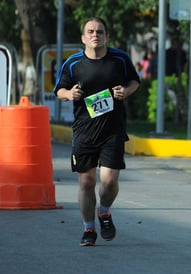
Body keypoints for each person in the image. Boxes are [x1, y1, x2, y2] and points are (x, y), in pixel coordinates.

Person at [53, 17, 140, 246]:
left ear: (106, 36)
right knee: (86, 183)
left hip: (113, 130)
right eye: (90, 31)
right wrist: (69, 94)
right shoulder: (73, 63)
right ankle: (88, 229)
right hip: (84, 131)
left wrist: (126, 91)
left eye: (99, 31)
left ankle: (104, 211)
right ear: (83, 37)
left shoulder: (119, 59)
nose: (95, 35)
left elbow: (134, 81)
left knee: (109, 182)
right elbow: (59, 89)